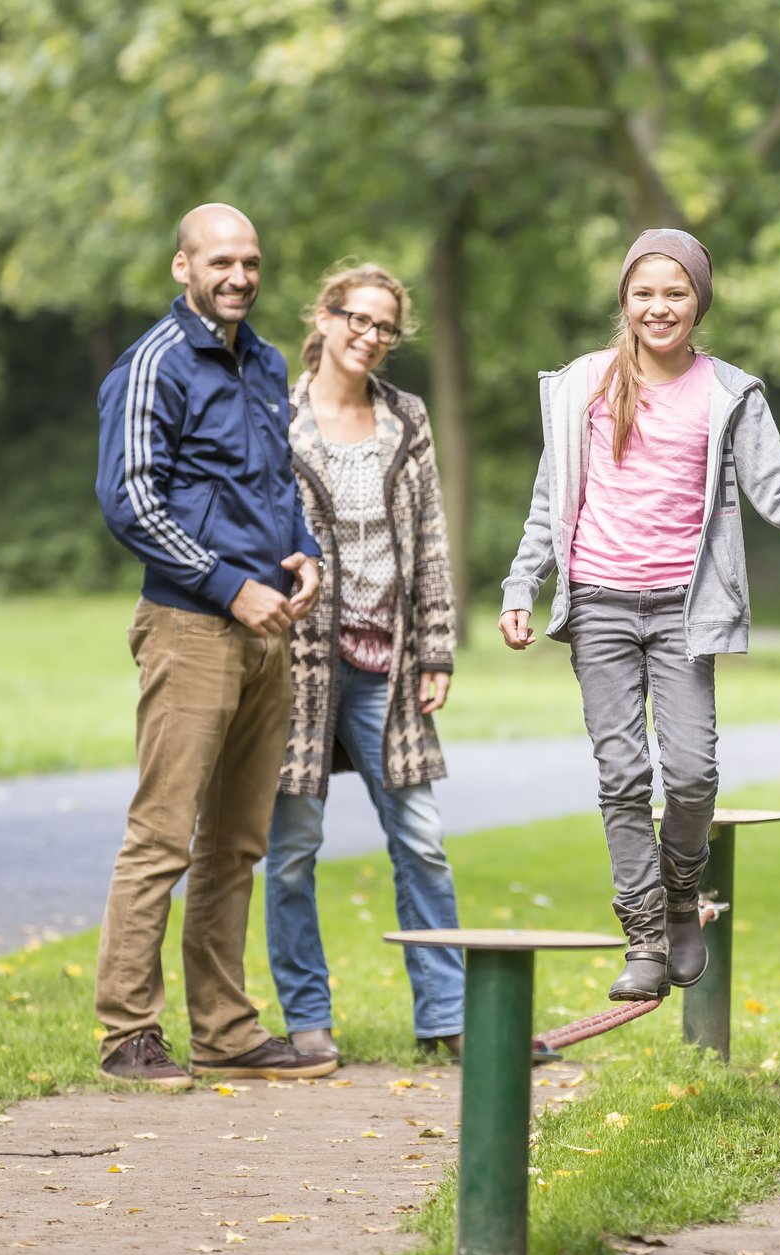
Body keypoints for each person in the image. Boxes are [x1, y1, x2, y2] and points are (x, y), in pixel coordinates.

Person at [498, 228, 780, 1002]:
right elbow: (551, 504)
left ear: (699, 302)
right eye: (644, 292)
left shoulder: (728, 394)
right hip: (600, 605)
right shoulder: (583, 384)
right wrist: (523, 586)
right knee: (622, 774)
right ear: (624, 300)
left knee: (691, 774)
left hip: (686, 612)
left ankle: (683, 894)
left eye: (675, 292)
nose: (660, 307)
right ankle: (645, 935)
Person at [92, 203, 337, 1086]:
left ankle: (227, 1030)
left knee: (236, 841)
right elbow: (130, 499)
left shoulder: (267, 364)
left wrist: (302, 549)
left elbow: (273, 485)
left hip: (271, 626)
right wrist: (231, 585)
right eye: (221, 260)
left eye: (252, 261)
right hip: (193, 625)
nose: (239, 276)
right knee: (162, 835)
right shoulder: (154, 364)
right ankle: (127, 1034)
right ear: (182, 266)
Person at [267, 261, 464, 1063]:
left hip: (389, 664)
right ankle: (307, 1017)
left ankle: (447, 1015)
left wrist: (438, 645)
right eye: (357, 318)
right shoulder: (274, 414)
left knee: (419, 836)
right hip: (298, 664)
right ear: (324, 314)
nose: (370, 336)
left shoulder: (406, 417)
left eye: (385, 326)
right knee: (293, 846)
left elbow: (431, 539)